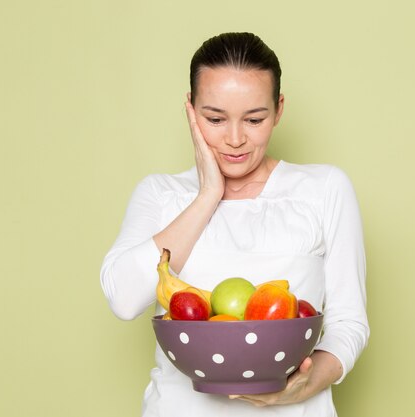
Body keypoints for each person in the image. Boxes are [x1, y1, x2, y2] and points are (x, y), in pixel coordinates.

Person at [100, 32, 369, 416]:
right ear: (190, 110)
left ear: (278, 110)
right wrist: (209, 193)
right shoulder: (161, 194)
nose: (235, 139)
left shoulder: (324, 189)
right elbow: (124, 299)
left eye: (255, 119)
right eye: (214, 118)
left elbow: (349, 323)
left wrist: (304, 386)